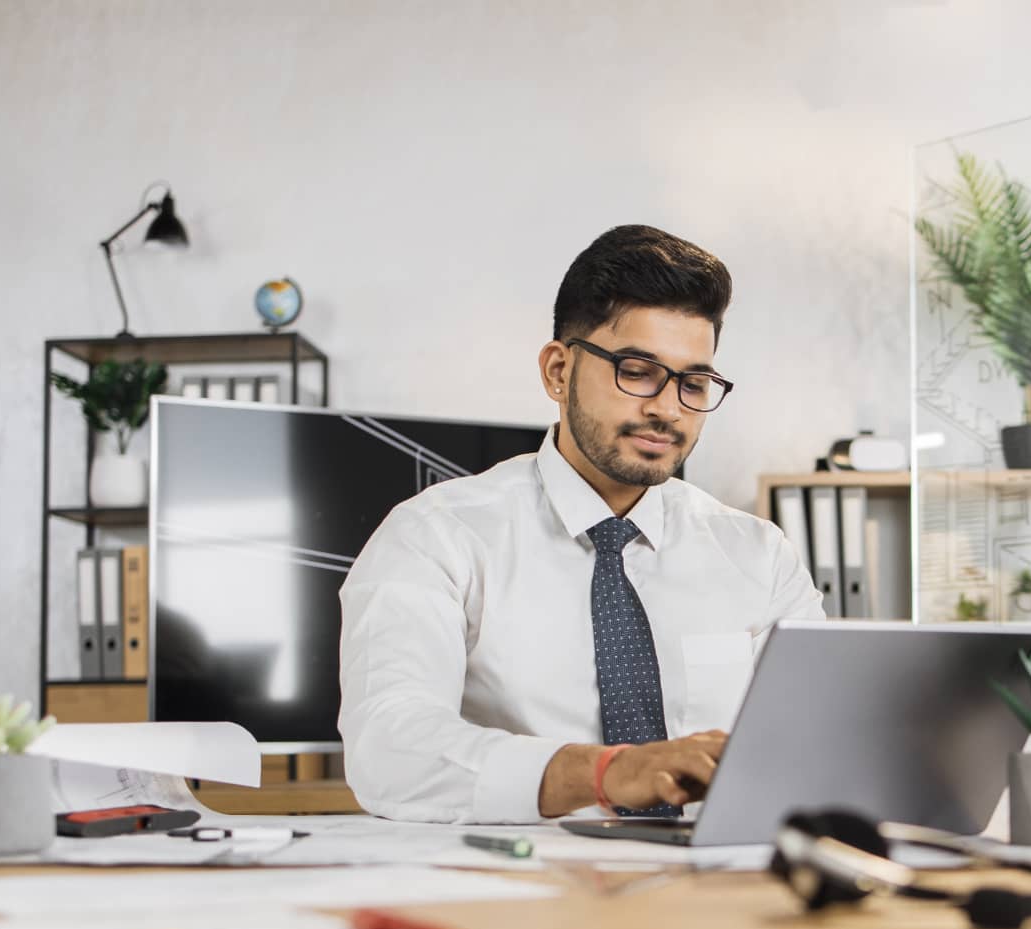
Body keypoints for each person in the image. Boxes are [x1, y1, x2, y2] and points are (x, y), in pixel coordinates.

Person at [339, 224, 825, 823]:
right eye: (637, 370)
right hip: (523, 895)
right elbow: (388, 749)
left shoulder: (758, 553)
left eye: (694, 383)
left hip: (715, 890)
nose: (667, 409)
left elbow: (820, 740)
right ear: (558, 372)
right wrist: (604, 773)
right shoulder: (436, 535)